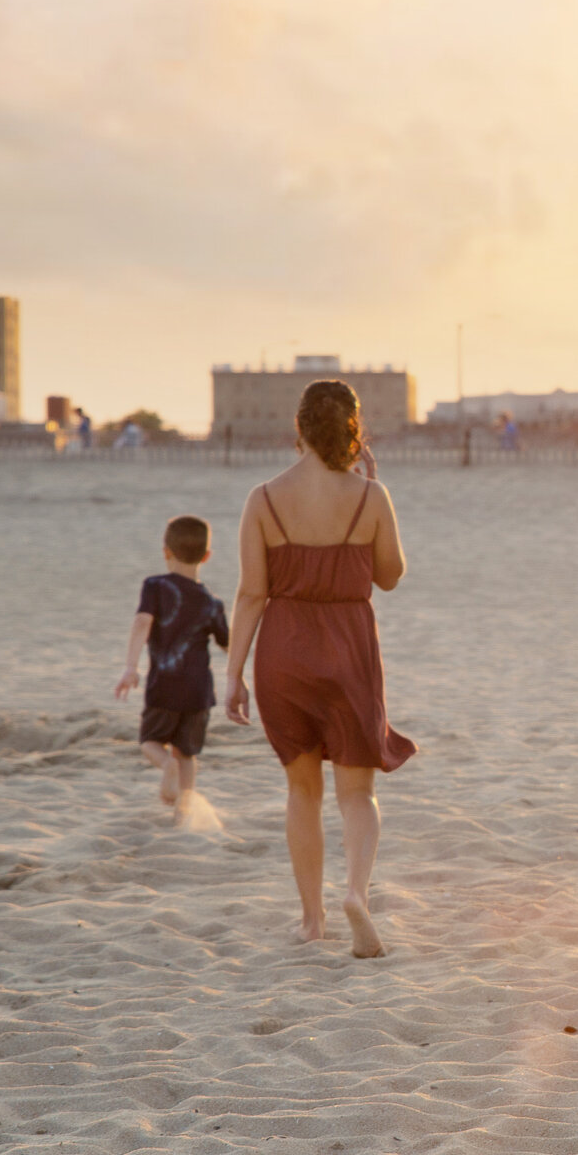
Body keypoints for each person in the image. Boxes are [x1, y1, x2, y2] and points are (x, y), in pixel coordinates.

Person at [221, 379, 415, 958]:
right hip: (349, 646)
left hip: (284, 650)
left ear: (298, 429)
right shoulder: (370, 496)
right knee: (357, 791)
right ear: (353, 431)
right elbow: (391, 575)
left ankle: (312, 920)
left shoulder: (263, 498)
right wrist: (370, 492)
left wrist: (232, 675)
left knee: (301, 791)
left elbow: (251, 594)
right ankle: (356, 891)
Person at [115, 515, 230, 817]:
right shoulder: (212, 602)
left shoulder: (154, 586)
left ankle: (167, 766)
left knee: (150, 741)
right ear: (206, 557)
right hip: (199, 691)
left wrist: (130, 666)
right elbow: (228, 644)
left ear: (166, 551)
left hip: (164, 685)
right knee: (188, 753)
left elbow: (142, 622)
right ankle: (185, 810)